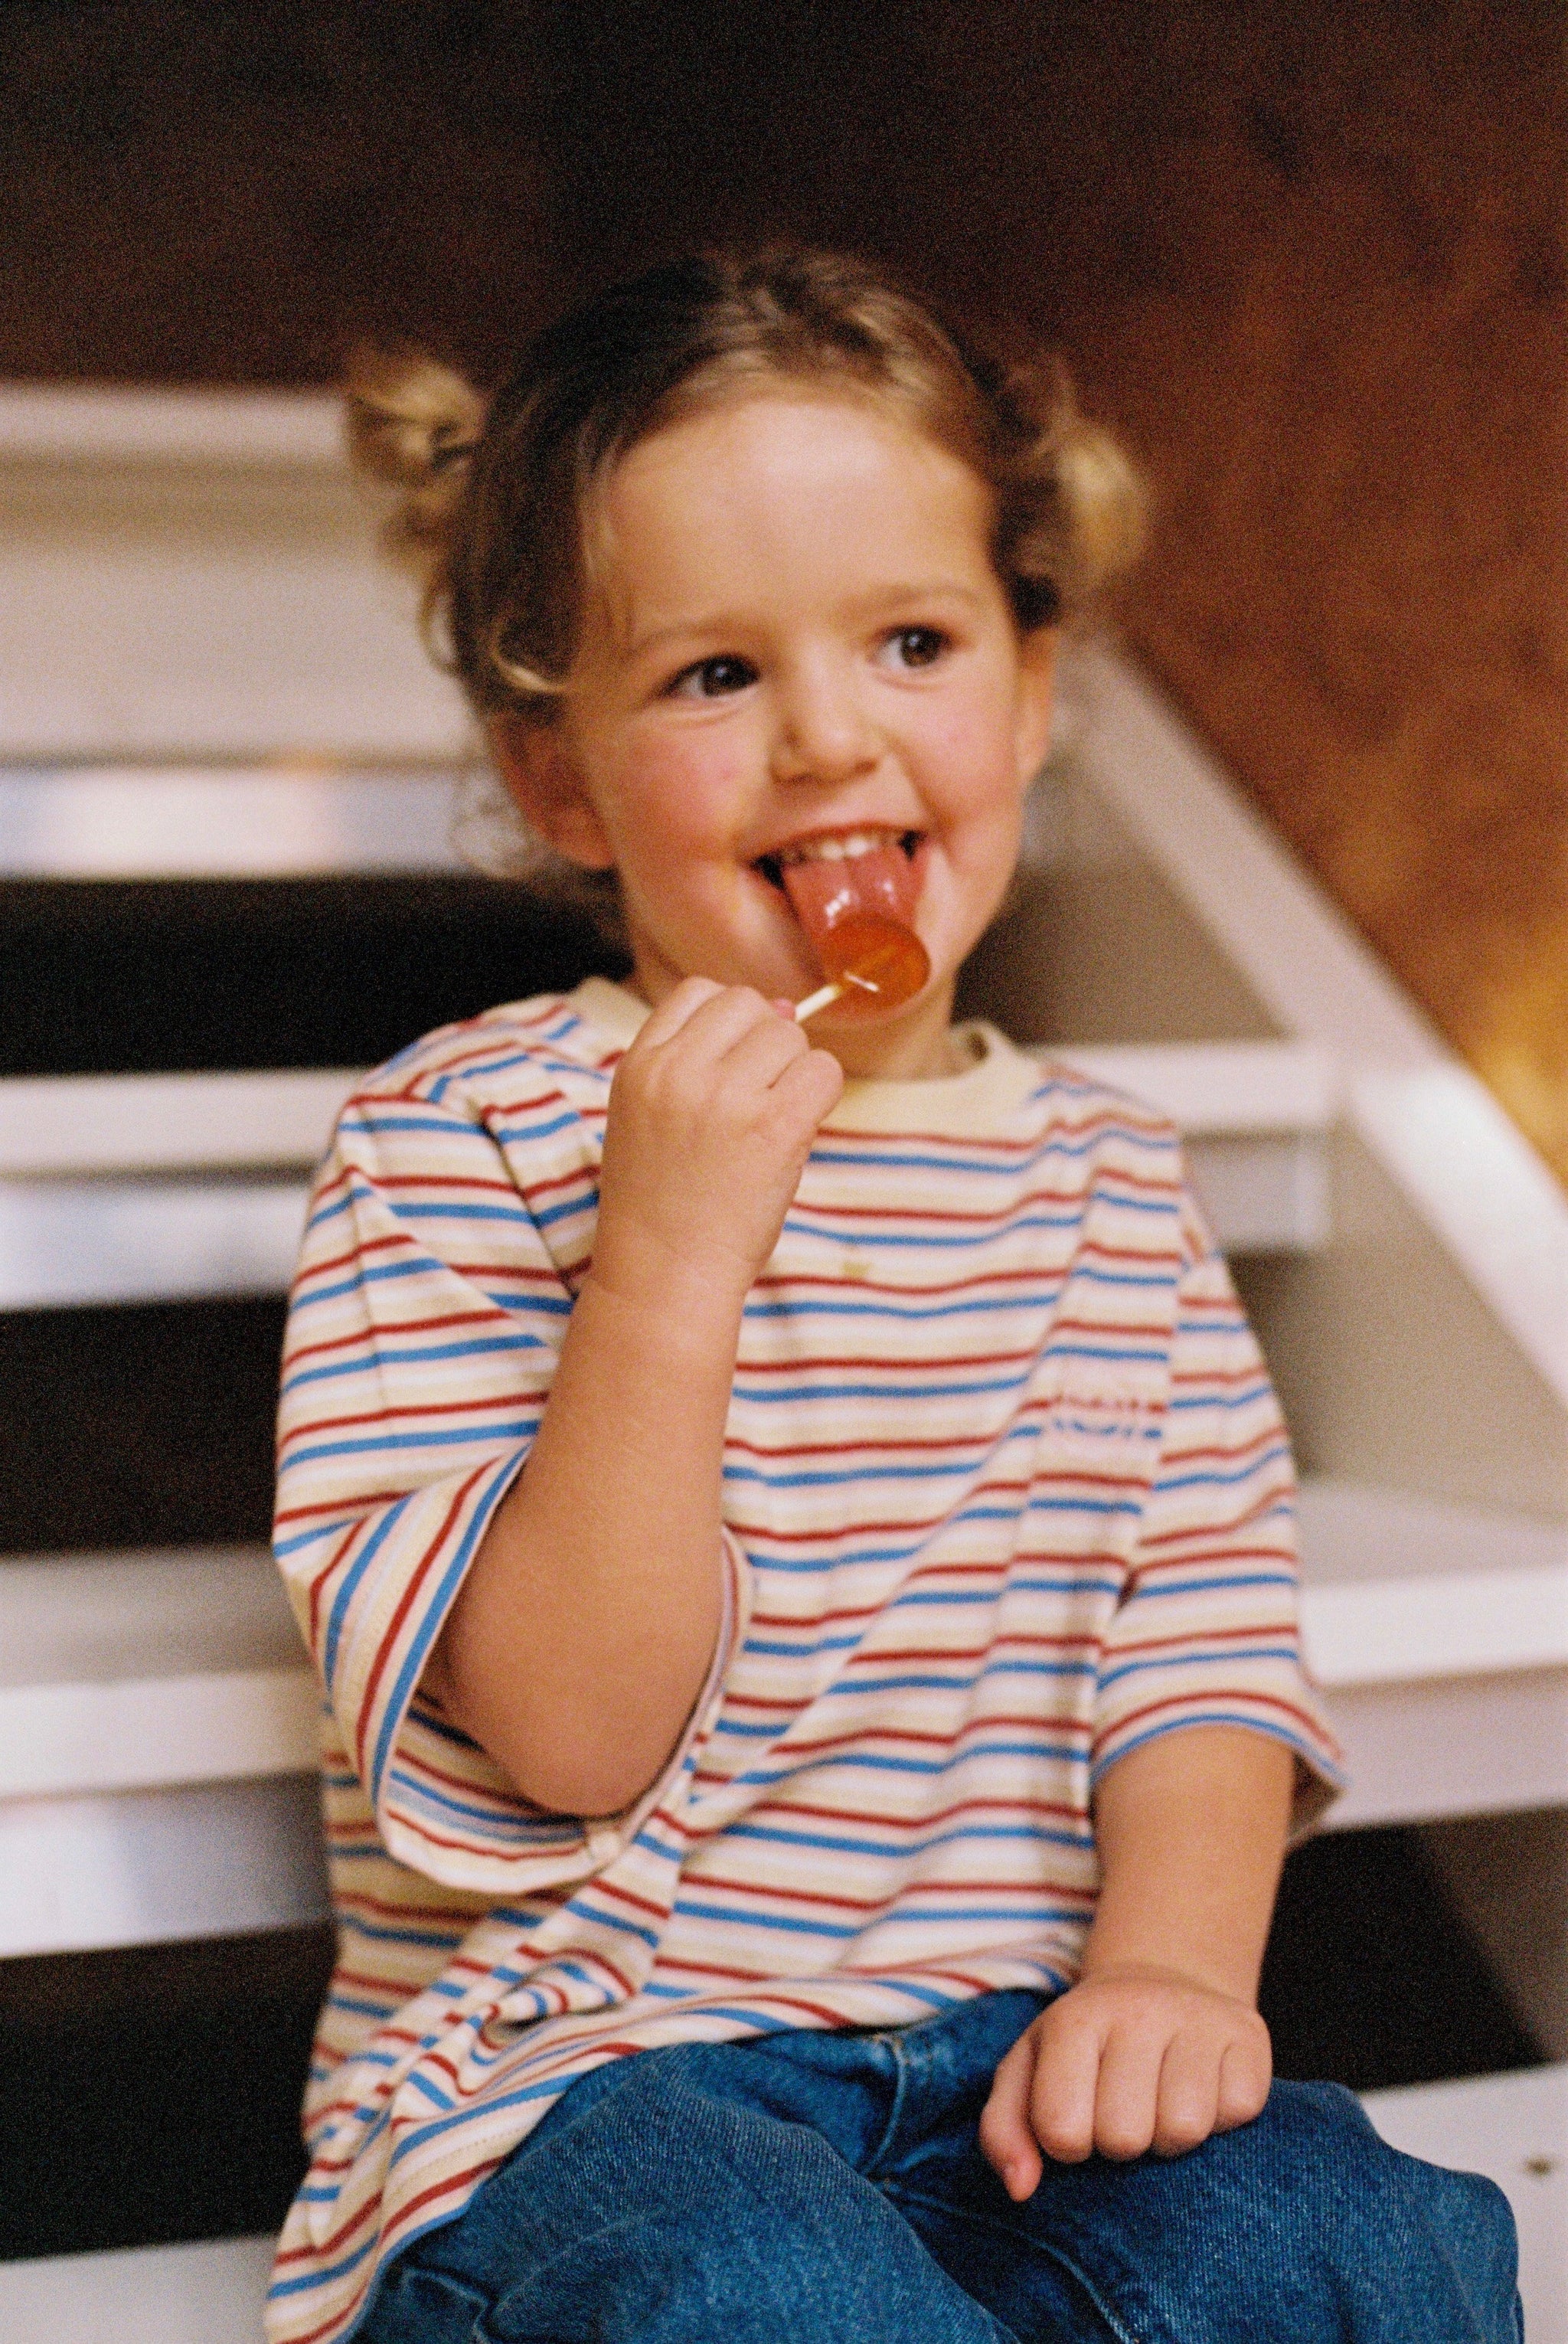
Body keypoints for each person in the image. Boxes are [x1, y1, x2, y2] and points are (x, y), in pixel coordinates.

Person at [266, 250, 1521, 2343]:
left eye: (913, 641)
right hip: (582, 2097)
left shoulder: (1113, 1181)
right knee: (761, 2289)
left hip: (1012, 2062)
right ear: (561, 776)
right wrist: (666, 1257)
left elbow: (1195, 1648)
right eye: (711, 678)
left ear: (1031, 697)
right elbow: (569, 1732)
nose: (828, 738)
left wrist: (1172, 1976)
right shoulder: (460, 1140)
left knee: (1357, 2238)